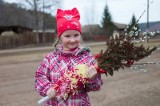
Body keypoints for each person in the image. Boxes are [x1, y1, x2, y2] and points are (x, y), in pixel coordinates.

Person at [35, 7, 103, 106]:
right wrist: (48, 88)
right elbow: (39, 77)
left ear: (80, 35)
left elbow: (96, 86)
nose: (72, 40)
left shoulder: (87, 58)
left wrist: (92, 79)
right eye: (67, 36)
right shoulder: (50, 58)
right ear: (60, 37)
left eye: (76, 35)